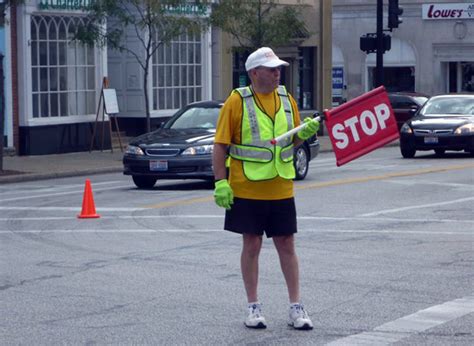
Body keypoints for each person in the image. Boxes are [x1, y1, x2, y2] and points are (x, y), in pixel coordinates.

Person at [212, 47, 319, 330]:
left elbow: (293, 140)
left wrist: (304, 135)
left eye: (278, 68)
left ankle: (296, 307)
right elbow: (220, 144)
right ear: (254, 73)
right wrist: (220, 181)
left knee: (287, 244)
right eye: (271, 69)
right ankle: (253, 307)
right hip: (247, 187)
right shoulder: (237, 101)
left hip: (281, 187)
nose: (277, 73)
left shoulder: (286, 98)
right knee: (252, 244)